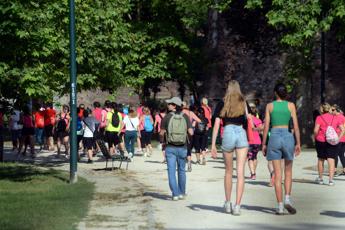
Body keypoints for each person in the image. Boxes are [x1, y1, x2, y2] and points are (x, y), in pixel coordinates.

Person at [211, 80, 249, 216]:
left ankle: (228, 203)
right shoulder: (243, 102)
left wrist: (213, 144)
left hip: (227, 131)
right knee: (240, 172)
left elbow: (216, 125)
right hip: (240, 132)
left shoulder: (222, 103)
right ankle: (238, 205)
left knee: (228, 171)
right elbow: (248, 120)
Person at [262, 83, 301, 215]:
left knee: (277, 175)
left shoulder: (270, 106)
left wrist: (264, 144)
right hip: (287, 135)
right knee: (288, 171)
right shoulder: (291, 105)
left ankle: (279, 206)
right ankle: (287, 199)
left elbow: (266, 126)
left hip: (274, 136)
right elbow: (295, 126)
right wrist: (298, 143)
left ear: (275, 93)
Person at [160, 97, 193, 201]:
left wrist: (162, 141)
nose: (168, 105)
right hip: (182, 147)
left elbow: (161, 132)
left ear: (174, 105)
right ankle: (182, 193)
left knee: (171, 171)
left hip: (170, 147)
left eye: (170, 103)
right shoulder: (186, 117)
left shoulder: (167, 117)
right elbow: (191, 132)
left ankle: (175, 194)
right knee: (182, 171)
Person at [314, 103, 345, 185]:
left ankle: (320, 179)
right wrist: (338, 139)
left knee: (321, 160)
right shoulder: (336, 117)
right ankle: (331, 180)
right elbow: (343, 130)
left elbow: (316, 130)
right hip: (332, 141)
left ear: (322, 109)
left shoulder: (319, 118)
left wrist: (316, 137)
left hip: (321, 141)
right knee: (331, 160)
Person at [182, 101, 201, 172]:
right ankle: (189, 164)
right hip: (190, 132)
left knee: (180, 148)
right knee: (188, 149)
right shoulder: (191, 113)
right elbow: (199, 120)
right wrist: (193, 122)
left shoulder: (180, 113)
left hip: (181, 132)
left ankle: (181, 164)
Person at [247, 103, 264, 180]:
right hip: (257, 141)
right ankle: (254, 172)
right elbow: (261, 129)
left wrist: (253, 129)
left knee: (250, 158)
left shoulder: (247, 119)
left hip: (249, 141)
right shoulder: (258, 120)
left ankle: (253, 173)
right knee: (255, 157)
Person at [331, 105, 345, 176]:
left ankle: (334, 170)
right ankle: (344, 170)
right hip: (343, 138)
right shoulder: (343, 116)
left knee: (335, 154)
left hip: (338, 138)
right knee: (341, 155)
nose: (332, 111)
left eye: (333, 110)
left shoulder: (337, 117)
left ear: (337, 110)